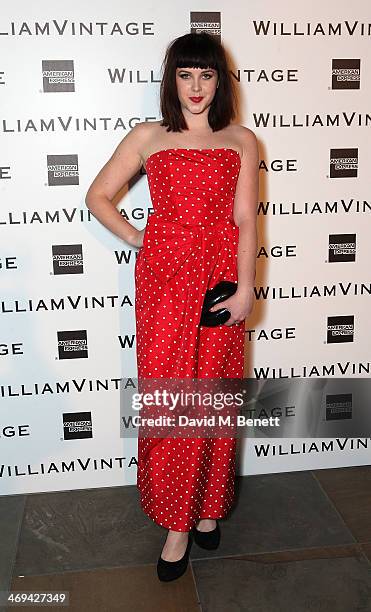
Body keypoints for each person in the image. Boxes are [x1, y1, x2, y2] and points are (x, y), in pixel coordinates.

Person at [85, 31, 258, 582]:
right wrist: (141, 238)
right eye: (186, 75)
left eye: (207, 75)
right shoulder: (148, 136)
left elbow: (247, 221)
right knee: (171, 397)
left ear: (219, 82)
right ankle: (177, 522)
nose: (197, 87)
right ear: (171, 80)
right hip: (165, 280)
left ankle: (208, 509)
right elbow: (97, 196)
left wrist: (247, 288)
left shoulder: (241, 140)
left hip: (220, 279)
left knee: (215, 394)